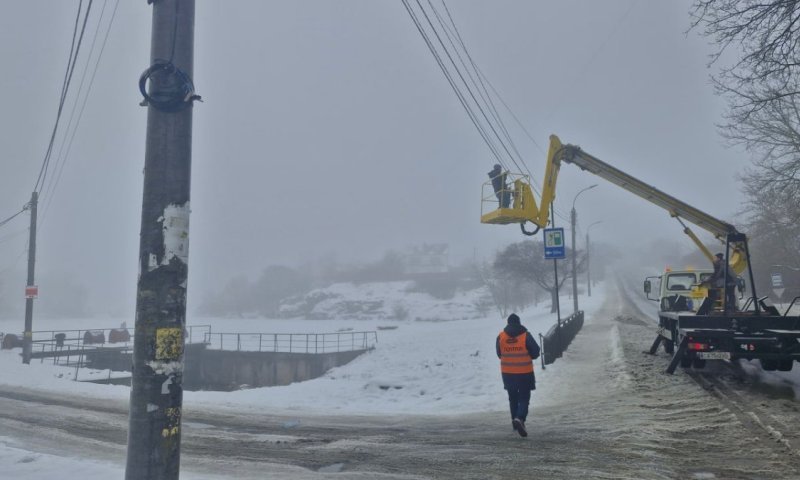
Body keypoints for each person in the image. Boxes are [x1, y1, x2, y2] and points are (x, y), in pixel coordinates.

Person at [496, 313, 540, 438]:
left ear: (508, 323)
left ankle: (515, 423)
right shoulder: (526, 335)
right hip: (524, 372)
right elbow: (536, 352)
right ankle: (520, 418)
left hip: (508, 373)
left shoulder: (501, 337)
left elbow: (499, 353)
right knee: (524, 397)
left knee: (513, 397)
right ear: (519, 322)